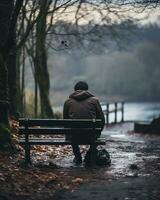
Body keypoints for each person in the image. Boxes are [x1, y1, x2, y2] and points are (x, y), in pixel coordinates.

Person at [63, 81, 105, 164]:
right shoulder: (95, 101)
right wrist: (99, 131)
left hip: (74, 135)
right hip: (91, 135)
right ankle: (90, 156)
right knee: (95, 135)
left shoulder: (68, 102)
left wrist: (67, 134)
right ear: (87, 90)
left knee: (71, 132)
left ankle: (78, 157)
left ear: (75, 90)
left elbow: (65, 121)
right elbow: (102, 119)